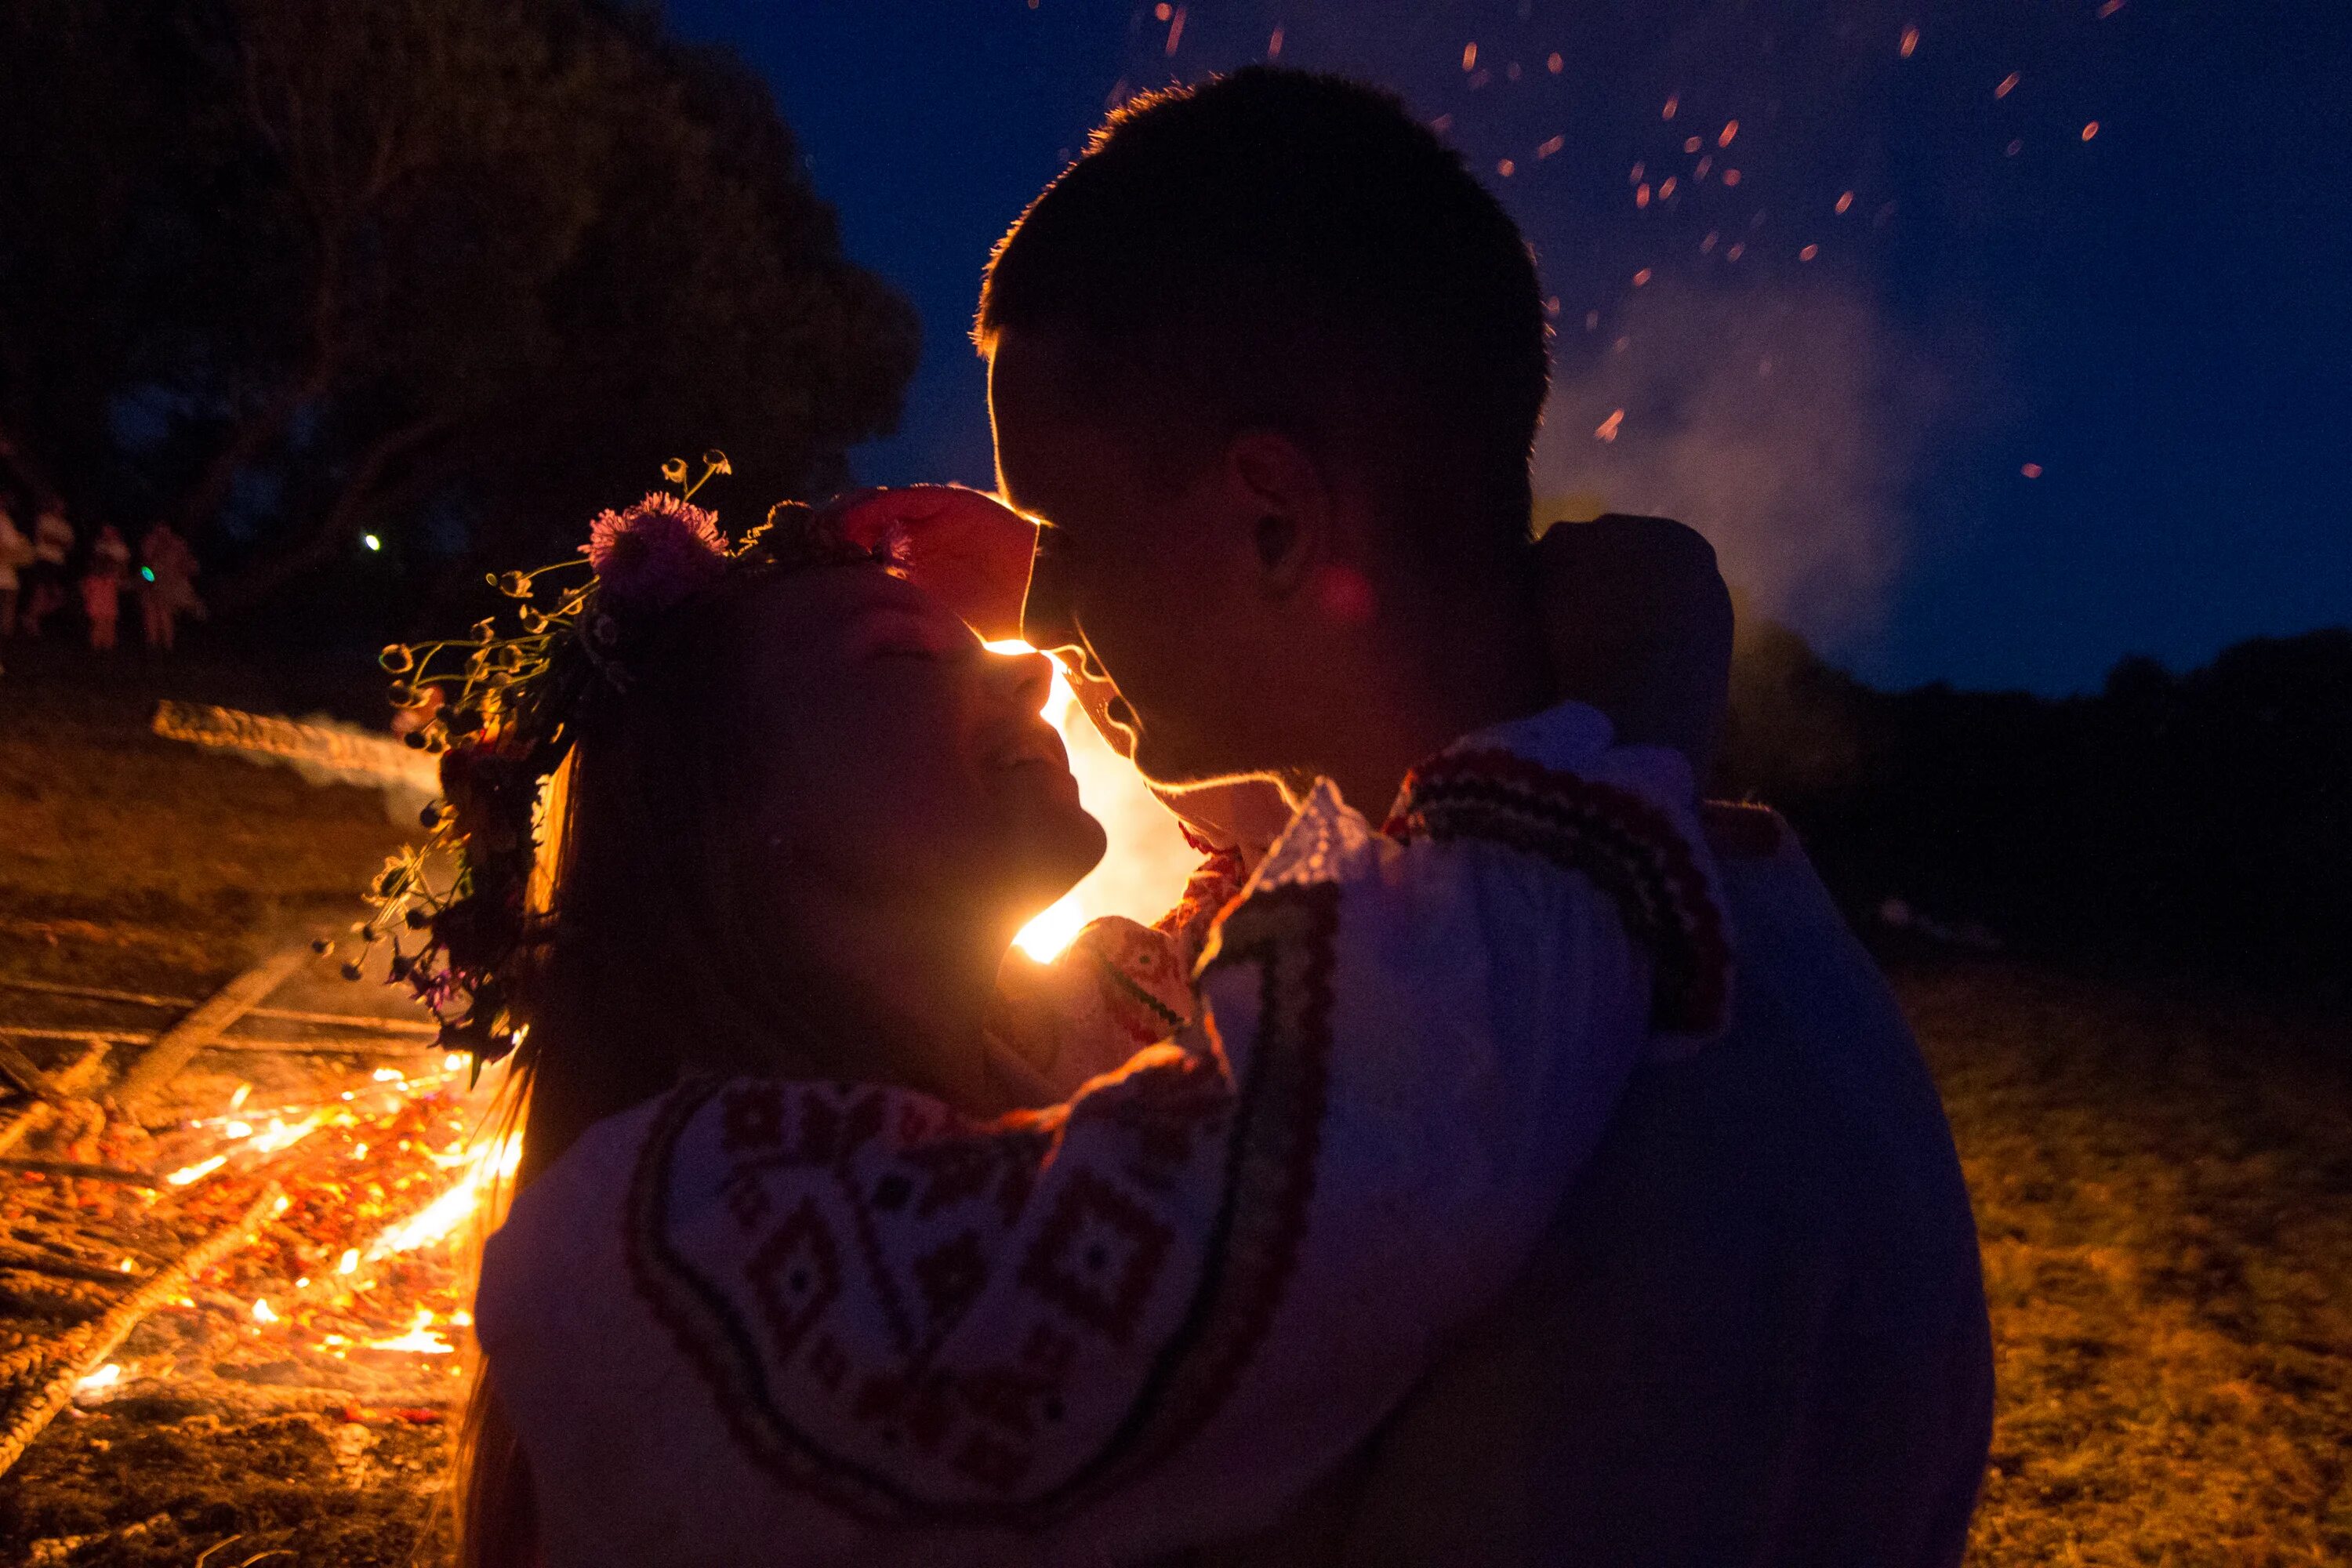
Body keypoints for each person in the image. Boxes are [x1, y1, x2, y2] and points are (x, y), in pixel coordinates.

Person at [954, 67, 1991, 1566]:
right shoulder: (1571, 959)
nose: (1042, 617)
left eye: (1058, 528)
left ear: (1274, 519)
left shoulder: (1615, 1115)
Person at [450, 488, 1732, 1566]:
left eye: (993, 647)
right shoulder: (684, 1224)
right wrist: (1619, 724)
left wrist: (1087, 611)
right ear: (731, 819)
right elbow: (1365, 1133)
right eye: (904, 654)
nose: (1024, 669)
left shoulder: (1066, 1050)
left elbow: (1309, 892)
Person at [140, 521, 201, 650]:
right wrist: (147, 576)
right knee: (151, 611)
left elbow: (186, 562)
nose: (161, 529)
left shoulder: (177, 543)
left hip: (169, 583)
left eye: (164, 527)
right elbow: (146, 561)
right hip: (152, 580)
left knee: (164, 612)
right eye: (159, 527)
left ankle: (167, 643)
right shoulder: (150, 541)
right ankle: (152, 642)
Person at [20, 503, 74, 637]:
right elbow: (46, 538)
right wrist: (59, 541)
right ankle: (32, 620)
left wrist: (58, 541)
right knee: (41, 591)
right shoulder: (44, 519)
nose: (60, 509)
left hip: (58, 562)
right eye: (57, 506)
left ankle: (30, 616)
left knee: (58, 595)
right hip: (44, 559)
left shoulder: (66, 526)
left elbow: (69, 545)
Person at [79, 524, 129, 650]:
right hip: (99, 604)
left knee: (107, 624)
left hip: (106, 603)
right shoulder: (94, 579)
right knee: (101, 624)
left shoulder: (110, 579)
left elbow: (124, 577)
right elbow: (85, 589)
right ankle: (99, 647)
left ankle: (105, 646)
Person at [0, 499, 31, 637]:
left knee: (8, 604)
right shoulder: (4, 521)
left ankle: (6, 633)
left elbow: (15, 546)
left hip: (7, 574)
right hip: (6, 574)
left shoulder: (6, 521)